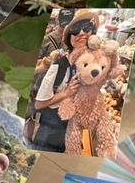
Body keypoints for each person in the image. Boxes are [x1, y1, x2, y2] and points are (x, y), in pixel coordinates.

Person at [32, 10, 99, 152]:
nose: (81, 33)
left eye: (87, 28)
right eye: (75, 30)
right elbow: (39, 104)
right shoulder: (59, 65)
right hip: (50, 132)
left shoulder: (91, 67)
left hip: (71, 130)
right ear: (69, 37)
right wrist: (66, 93)